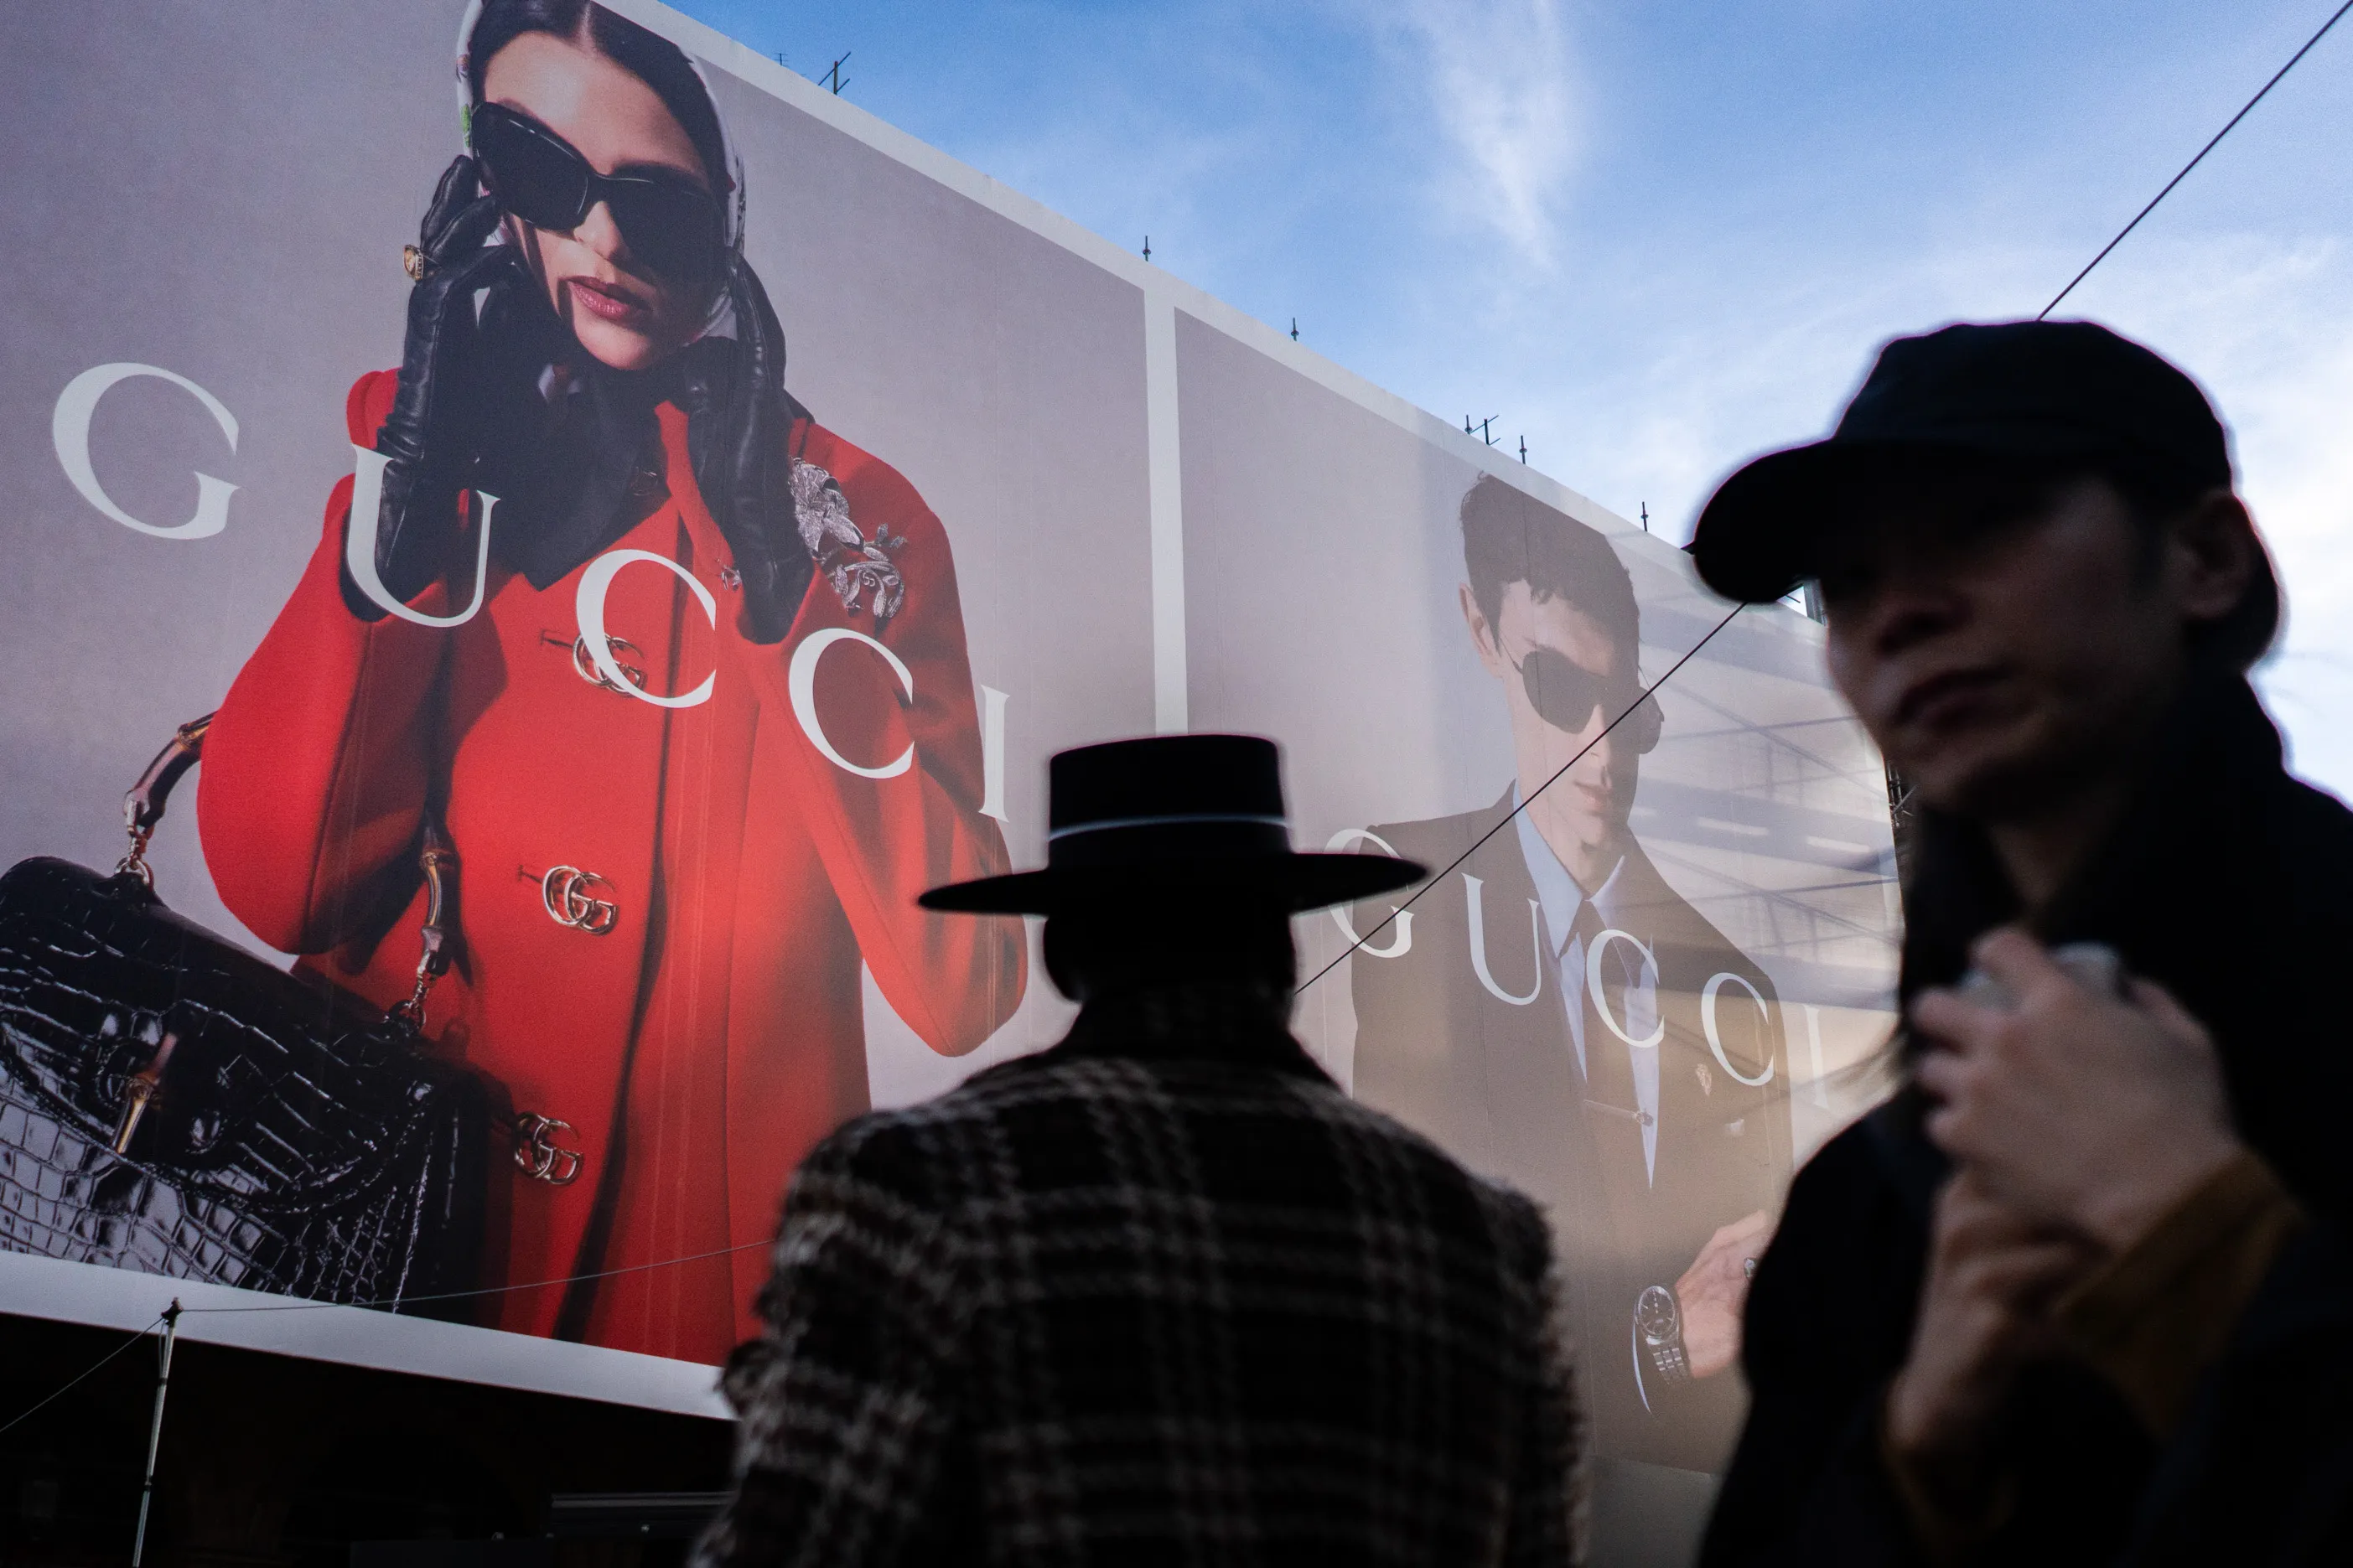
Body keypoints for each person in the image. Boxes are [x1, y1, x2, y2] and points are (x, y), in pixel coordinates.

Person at [195, 0, 1023, 1361]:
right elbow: (281, 886)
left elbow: (962, 982)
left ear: (727, 225)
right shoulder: (422, 435)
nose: (604, 239)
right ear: (478, 191)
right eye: (540, 171)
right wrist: (409, 491)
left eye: (657, 204)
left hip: (694, 1307)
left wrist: (780, 584)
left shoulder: (862, 524)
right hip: (383, 1239)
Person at [1691, 319, 2353, 1565]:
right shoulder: (1859, 1202)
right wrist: (1917, 1451)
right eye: (1846, 584)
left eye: (1980, 523)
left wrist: (2195, 1241)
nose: (1900, 613)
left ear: (2204, 557)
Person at [696, 734, 1585, 1565]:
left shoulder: (920, 1186)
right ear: (1281, 952)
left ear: (1062, 953)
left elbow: (797, 1546)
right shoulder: (1489, 1242)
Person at [1350, 475, 1785, 1477]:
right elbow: (1420, 1281)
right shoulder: (1401, 895)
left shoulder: (1732, 981)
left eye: (1627, 710)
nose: (1598, 751)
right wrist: (1653, 1345)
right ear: (1479, 631)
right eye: (1554, 685)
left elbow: (1751, 1302)